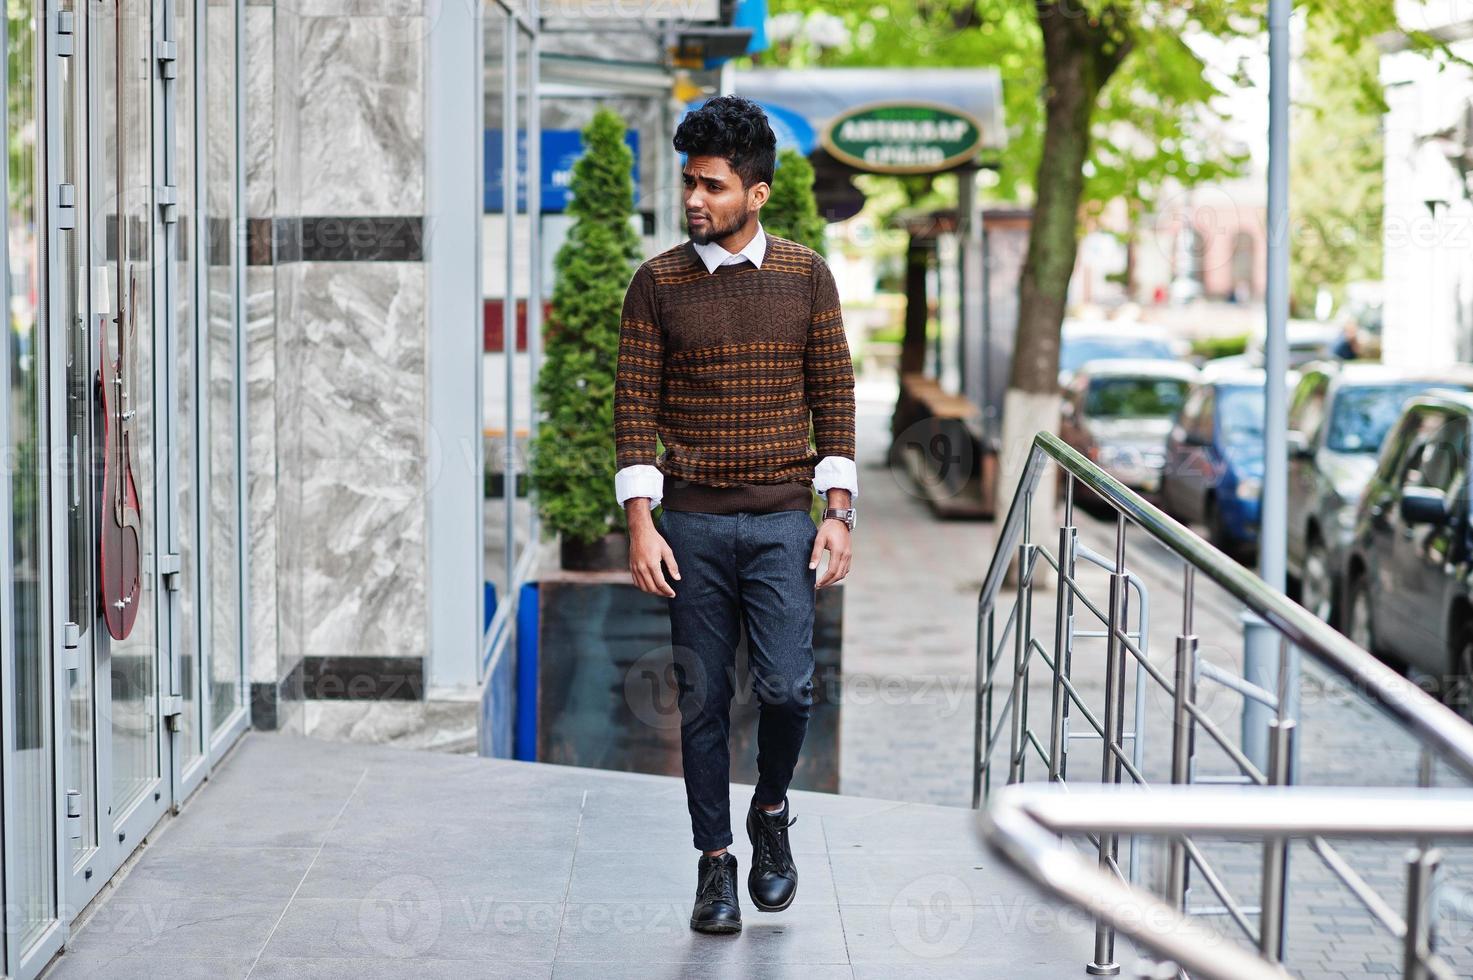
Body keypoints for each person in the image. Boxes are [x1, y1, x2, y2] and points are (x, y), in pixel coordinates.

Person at [612, 95, 858, 936]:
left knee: (789, 688)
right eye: (689, 182)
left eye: (711, 186)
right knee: (704, 699)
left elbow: (835, 394)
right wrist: (642, 522)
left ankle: (772, 812)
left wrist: (838, 512)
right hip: (690, 527)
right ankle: (715, 863)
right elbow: (633, 407)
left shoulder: (804, 274)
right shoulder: (656, 284)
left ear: (755, 194)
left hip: (785, 521)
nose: (693, 201)